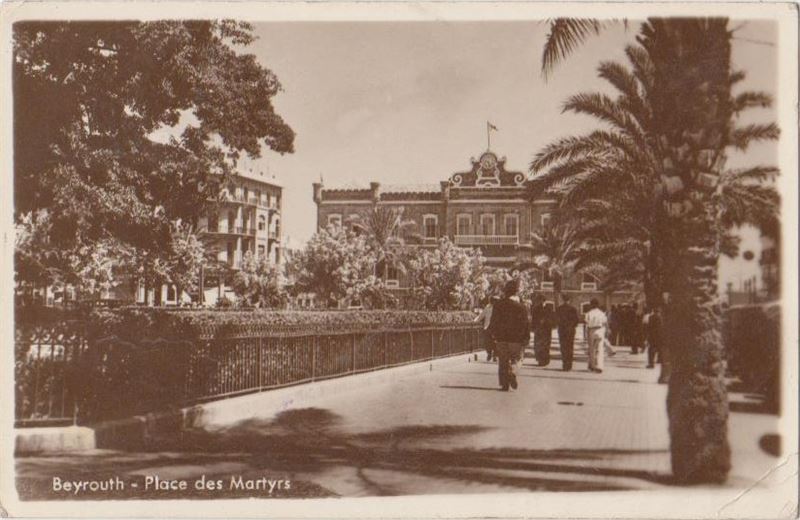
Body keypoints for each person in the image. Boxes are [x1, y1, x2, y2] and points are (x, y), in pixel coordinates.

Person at [488, 280, 530, 391]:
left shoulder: (498, 305)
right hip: (516, 339)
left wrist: (493, 334)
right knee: (517, 359)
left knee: (502, 361)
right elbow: (526, 324)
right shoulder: (521, 307)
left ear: (505, 291)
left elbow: (493, 321)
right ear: (515, 292)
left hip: (501, 338)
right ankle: (512, 371)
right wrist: (526, 337)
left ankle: (504, 384)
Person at [556, 295, 580, 371]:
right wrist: (572, 326)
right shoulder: (573, 309)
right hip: (570, 331)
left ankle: (564, 364)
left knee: (563, 347)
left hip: (562, 330)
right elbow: (576, 321)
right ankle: (569, 365)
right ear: (569, 300)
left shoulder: (559, 309)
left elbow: (556, 320)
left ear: (563, 300)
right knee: (570, 347)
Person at [584, 298, 608, 373]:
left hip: (591, 330)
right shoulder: (601, 313)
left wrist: (585, 334)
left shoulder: (588, 313)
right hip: (600, 330)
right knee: (600, 349)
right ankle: (599, 366)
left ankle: (592, 366)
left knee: (591, 349)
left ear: (591, 305)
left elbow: (586, 323)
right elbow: (605, 322)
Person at [474, 296, 498, 361]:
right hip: (488, 327)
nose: (493, 302)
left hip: (496, 328)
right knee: (487, 341)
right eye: (492, 300)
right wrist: (475, 321)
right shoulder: (488, 307)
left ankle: (495, 355)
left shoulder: (499, 308)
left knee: (495, 342)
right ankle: (489, 353)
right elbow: (482, 315)